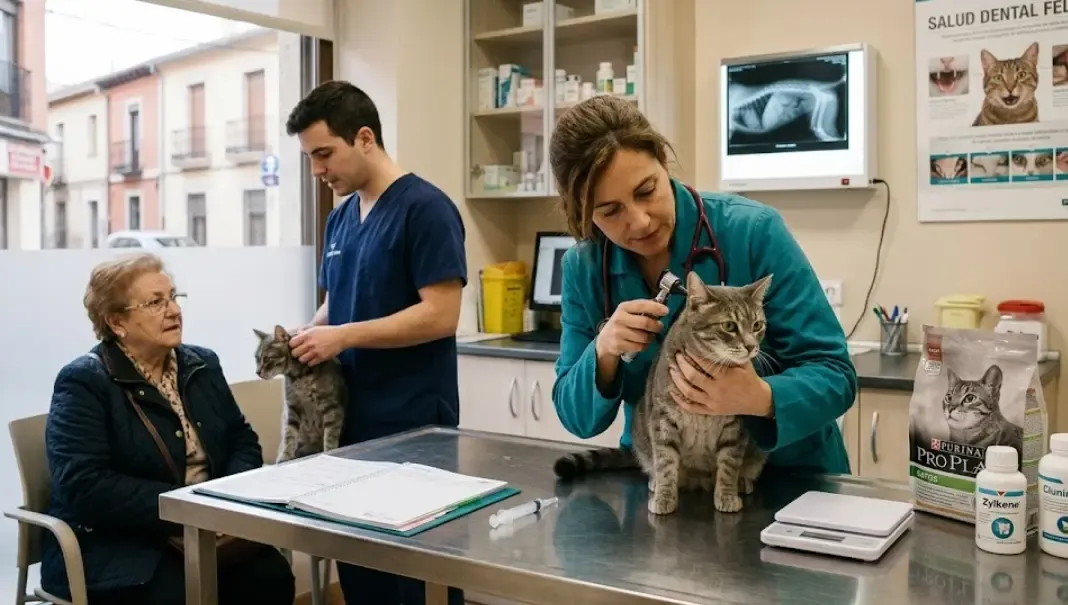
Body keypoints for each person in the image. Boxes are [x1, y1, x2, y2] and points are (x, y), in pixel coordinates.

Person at [550, 95, 857, 474]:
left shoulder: (752, 232)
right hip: (671, 484)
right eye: (610, 211)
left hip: (789, 479)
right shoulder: (584, 268)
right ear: (582, 213)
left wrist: (760, 398)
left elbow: (836, 375)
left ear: (664, 161)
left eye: (647, 191)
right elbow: (576, 417)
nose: (640, 221)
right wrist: (604, 351)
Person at [284, 81, 467, 605]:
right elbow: (337, 301)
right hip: (350, 425)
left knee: (416, 576)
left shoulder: (425, 209)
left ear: (364, 138)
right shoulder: (341, 218)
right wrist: (309, 332)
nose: (318, 171)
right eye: (309, 159)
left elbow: (440, 314)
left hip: (412, 424)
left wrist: (341, 335)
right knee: (362, 572)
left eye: (324, 154)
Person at [42, 253, 295, 605]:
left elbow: (242, 440)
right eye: (156, 303)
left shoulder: (201, 363)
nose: (174, 310)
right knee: (175, 595)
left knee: (271, 577)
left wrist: (225, 505)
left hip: (207, 528)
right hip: (119, 542)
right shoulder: (84, 381)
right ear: (117, 322)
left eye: (174, 297)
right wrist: (185, 512)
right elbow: (82, 484)